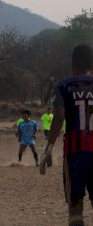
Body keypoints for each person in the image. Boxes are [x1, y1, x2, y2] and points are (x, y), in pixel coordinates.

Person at [39, 44, 93, 226]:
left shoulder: (63, 86)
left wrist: (48, 149)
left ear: (72, 64)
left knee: (75, 207)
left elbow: (60, 116)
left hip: (74, 155)